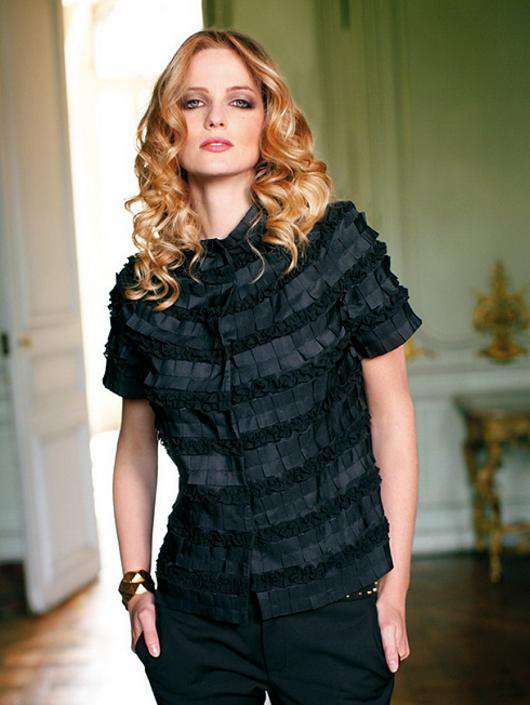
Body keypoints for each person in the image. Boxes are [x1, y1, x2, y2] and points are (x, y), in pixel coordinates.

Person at [103, 28, 422, 705]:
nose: (216, 118)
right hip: (197, 616)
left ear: (268, 121)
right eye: (194, 101)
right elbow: (135, 448)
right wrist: (135, 586)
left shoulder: (335, 247)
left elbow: (392, 417)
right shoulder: (143, 290)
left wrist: (394, 588)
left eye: (240, 101)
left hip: (336, 600)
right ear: (168, 127)